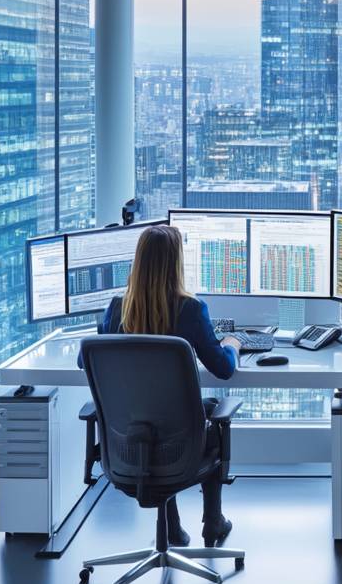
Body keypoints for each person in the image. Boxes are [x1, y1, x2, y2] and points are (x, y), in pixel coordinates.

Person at [77, 224, 242, 549]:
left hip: (127, 447)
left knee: (155, 411)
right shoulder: (190, 310)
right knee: (206, 418)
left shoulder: (116, 308)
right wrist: (234, 344)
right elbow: (223, 369)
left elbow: (87, 361)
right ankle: (213, 522)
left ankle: (173, 527)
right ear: (176, 263)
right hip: (180, 449)